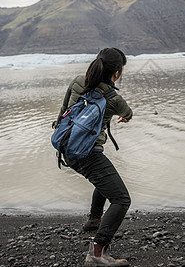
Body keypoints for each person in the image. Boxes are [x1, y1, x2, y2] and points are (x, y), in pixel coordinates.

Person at [54, 48, 133, 266]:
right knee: (121, 199)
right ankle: (97, 253)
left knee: (105, 180)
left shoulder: (78, 81)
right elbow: (128, 114)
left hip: (66, 148)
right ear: (116, 73)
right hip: (88, 154)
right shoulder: (114, 98)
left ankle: (94, 220)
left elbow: (62, 112)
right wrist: (123, 118)